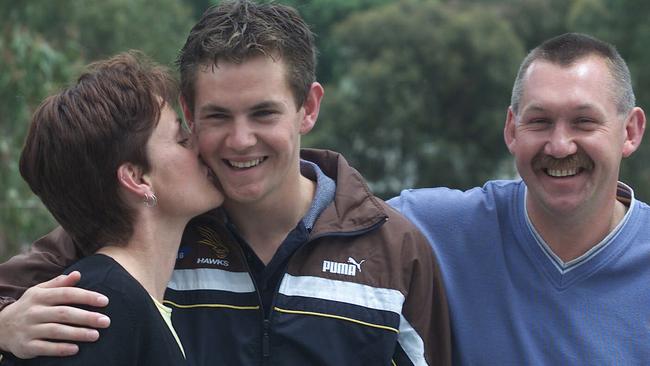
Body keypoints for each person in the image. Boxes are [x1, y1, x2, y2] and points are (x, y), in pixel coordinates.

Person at [0, 1, 451, 365]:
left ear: (308, 108)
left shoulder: (394, 249)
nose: (239, 140)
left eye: (263, 113)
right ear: (190, 114)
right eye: (217, 116)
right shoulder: (141, 231)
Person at [388, 33, 649, 364]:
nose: (559, 146)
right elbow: (327, 215)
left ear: (630, 131)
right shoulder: (435, 228)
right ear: (512, 130)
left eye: (584, 122)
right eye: (540, 122)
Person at [0, 52, 223, 365]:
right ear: (136, 178)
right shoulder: (100, 308)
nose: (200, 145)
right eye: (181, 138)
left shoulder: (119, 298)